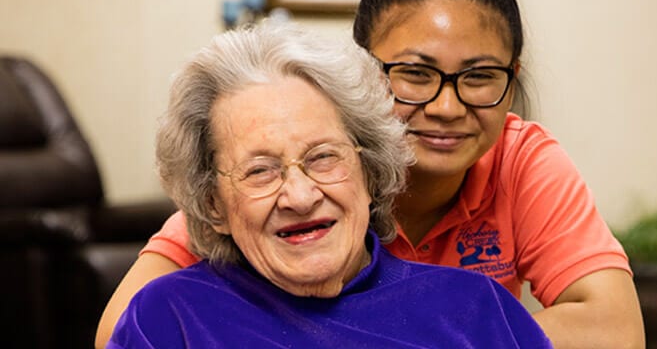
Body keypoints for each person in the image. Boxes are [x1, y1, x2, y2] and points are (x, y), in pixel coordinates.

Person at [97, 0, 645, 348]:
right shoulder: (245, 194)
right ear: (363, 76)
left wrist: (446, 326)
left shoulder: (517, 171)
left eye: (479, 76)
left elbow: (615, 332)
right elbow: (126, 327)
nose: (447, 106)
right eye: (415, 73)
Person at [107, 21, 552, 348]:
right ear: (213, 204)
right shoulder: (167, 318)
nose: (300, 197)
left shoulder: (477, 312)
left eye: (323, 158)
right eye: (260, 170)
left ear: (370, 171)